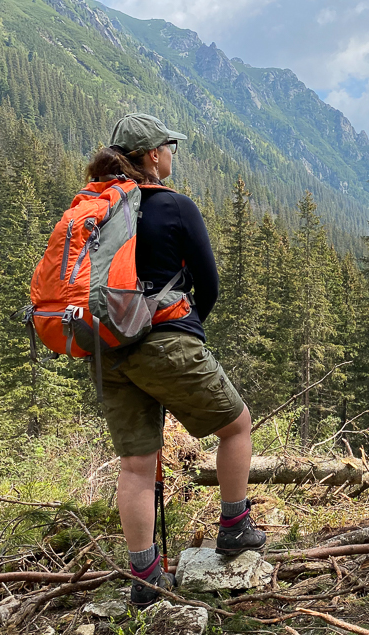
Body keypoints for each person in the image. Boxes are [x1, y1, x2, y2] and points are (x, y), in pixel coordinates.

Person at [86, 113, 265, 607]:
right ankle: (233, 526)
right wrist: (186, 329)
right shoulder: (175, 207)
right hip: (165, 342)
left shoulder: (96, 211)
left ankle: (144, 579)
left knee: (137, 463)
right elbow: (207, 284)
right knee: (236, 425)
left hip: (107, 351)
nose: (172, 154)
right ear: (150, 157)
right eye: (168, 146)